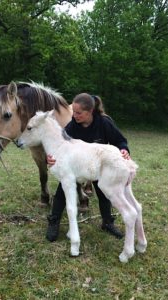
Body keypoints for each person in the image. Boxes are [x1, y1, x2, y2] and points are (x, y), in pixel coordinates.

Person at [46, 93, 130, 242]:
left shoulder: (104, 123)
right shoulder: (72, 126)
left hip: (97, 165)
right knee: (61, 191)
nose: (75, 116)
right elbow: (58, 145)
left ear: (90, 111)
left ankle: (107, 222)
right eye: (74, 112)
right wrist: (51, 158)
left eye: (78, 113)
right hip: (77, 167)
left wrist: (124, 150)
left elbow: (120, 141)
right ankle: (54, 222)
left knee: (104, 192)